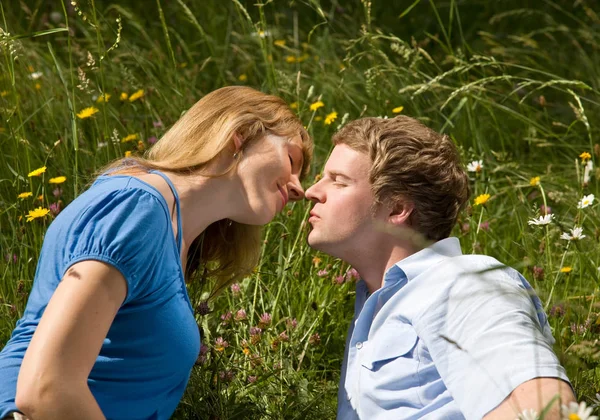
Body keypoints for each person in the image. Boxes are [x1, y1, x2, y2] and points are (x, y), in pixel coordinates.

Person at [0, 86, 313, 420]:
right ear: (239, 134)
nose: (299, 189)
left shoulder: (170, 231)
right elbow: (46, 389)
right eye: (292, 159)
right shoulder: (136, 209)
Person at [304, 115, 574, 419]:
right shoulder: (375, 306)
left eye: (339, 181)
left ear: (396, 208)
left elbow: (548, 409)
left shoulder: (462, 284)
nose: (311, 191)